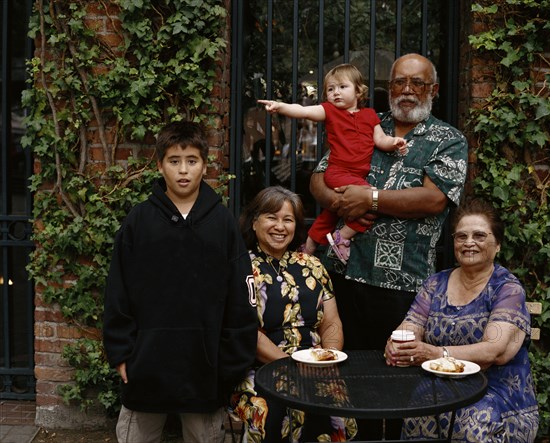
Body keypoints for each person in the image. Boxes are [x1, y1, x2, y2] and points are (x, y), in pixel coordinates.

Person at [103, 121, 258, 443]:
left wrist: (230, 364)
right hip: (146, 365)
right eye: (174, 161)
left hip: (204, 370)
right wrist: (121, 353)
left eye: (192, 160)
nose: (183, 170)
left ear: (205, 164)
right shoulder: (139, 221)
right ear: (160, 165)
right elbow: (117, 291)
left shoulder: (222, 224)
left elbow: (240, 297)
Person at [310, 53, 468, 350]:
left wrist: (369, 199)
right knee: (337, 370)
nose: (407, 90)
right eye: (399, 82)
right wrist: (340, 201)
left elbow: (434, 199)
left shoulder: (449, 139)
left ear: (433, 90)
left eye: (417, 83)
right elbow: (317, 178)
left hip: (402, 284)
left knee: (395, 375)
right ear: (389, 89)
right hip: (341, 275)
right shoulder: (362, 122)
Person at [384, 197, 539, 441]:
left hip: (496, 396)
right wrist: (399, 344)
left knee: (470, 418)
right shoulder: (435, 283)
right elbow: (410, 327)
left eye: (479, 236)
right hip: (439, 388)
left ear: (497, 244)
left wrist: (434, 353)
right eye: (461, 236)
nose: (469, 243)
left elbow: (493, 352)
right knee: (417, 411)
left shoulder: (507, 289)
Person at [230, 186, 357, 442]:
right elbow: (247, 332)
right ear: (254, 223)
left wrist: (326, 360)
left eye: (287, 219)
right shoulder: (240, 267)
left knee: (337, 408)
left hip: (315, 366)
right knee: (268, 411)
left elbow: (331, 322)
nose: (280, 226)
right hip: (262, 368)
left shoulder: (312, 265)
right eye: (271, 217)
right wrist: (293, 367)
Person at [258, 64, 407, 264]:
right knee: (371, 199)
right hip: (338, 171)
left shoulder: (370, 115)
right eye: (330, 89)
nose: (336, 93)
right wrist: (280, 106)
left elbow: (381, 140)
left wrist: (394, 143)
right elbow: (303, 111)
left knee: (331, 213)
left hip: (356, 175)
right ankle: (342, 237)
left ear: (358, 90)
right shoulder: (329, 111)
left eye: (342, 87)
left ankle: (309, 246)